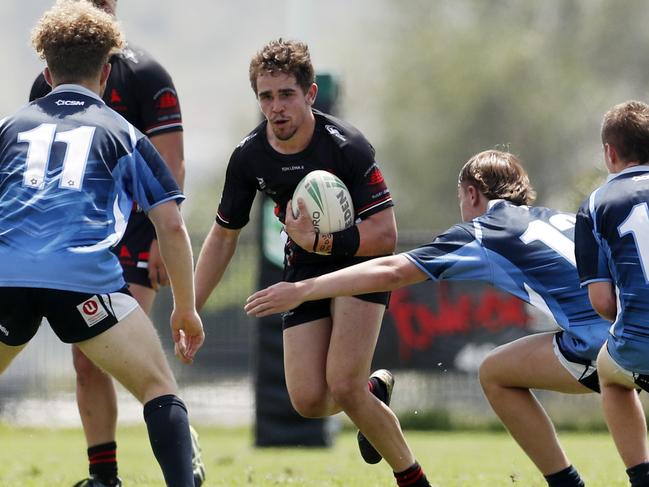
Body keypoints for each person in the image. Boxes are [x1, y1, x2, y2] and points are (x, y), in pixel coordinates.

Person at [246, 149, 613, 487]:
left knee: (498, 374)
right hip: (633, 328)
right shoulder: (561, 218)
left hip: (608, 347)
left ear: (471, 194)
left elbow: (392, 271)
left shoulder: (486, 231)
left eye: (461, 200)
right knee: (608, 380)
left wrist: (303, 289)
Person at [194, 38, 431, 487]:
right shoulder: (249, 157)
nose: (276, 107)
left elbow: (385, 235)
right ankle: (374, 391)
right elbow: (225, 235)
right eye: (266, 96)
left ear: (309, 95)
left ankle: (413, 478)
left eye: (286, 94)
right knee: (307, 400)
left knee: (342, 384)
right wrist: (190, 308)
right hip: (303, 265)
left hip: (359, 261)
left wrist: (322, 242)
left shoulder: (346, 146)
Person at [0, 1, 204, 486]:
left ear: (47, 73)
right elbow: (172, 227)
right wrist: (186, 309)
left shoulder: (9, 128)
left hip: (6, 277)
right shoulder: (123, 132)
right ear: (107, 71)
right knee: (158, 388)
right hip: (84, 284)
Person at [575, 100, 649, 487]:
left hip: (640, 343)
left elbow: (602, 303)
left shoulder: (595, 204)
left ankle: (641, 475)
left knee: (611, 372)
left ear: (610, 152)